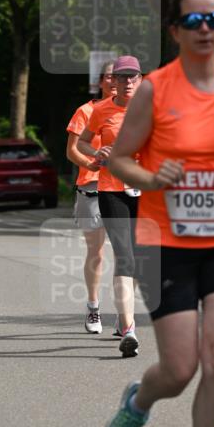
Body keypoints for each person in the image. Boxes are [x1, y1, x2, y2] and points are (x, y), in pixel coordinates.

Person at [104, 0, 214, 427]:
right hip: (166, 241)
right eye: (194, 22)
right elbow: (118, 159)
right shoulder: (156, 89)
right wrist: (154, 178)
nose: (205, 29)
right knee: (179, 369)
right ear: (176, 31)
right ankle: (138, 402)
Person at [78, 56, 144, 356]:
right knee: (124, 256)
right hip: (112, 189)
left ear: (140, 80)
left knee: (140, 259)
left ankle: (121, 318)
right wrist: (96, 151)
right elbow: (81, 144)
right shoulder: (100, 111)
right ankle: (129, 329)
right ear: (112, 82)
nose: (128, 81)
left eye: (133, 76)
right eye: (122, 77)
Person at [66, 61, 115, 333]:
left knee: (125, 253)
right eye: (109, 76)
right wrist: (91, 162)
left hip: (123, 187)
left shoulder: (132, 110)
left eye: (119, 76)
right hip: (92, 186)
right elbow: (71, 150)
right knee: (96, 252)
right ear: (101, 82)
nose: (114, 80)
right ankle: (94, 307)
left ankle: (124, 314)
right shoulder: (87, 111)